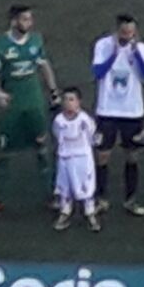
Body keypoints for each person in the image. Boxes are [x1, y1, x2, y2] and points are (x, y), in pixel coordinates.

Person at [0, 4, 58, 215]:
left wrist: (53, 91)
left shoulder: (36, 41)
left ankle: (51, 196)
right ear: (13, 21)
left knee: (42, 148)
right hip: (13, 106)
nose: (28, 23)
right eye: (24, 19)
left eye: (30, 19)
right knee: (4, 151)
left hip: (34, 103)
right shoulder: (0, 45)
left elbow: (44, 65)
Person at [91, 13, 144, 217]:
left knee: (132, 155)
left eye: (131, 32)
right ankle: (101, 199)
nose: (128, 36)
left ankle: (130, 200)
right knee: (102, 155)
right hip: (107, 110)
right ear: (116, 30)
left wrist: (136, 55)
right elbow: (98, 72)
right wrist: (113, 54)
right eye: (124, 32)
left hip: (132, 111)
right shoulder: (103, 45)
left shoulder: (140, 48)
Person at [51, 87, 100, 232]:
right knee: (65, 186)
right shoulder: (59, 120)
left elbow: (92, 136)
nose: (68, 103)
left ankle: (90, 213)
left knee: (86, 186)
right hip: (65, 158)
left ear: (78, 102)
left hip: (82, 159)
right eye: (65, 99)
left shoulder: (85, 120)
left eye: (71, 99)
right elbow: (57, 136)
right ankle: (65, 212)